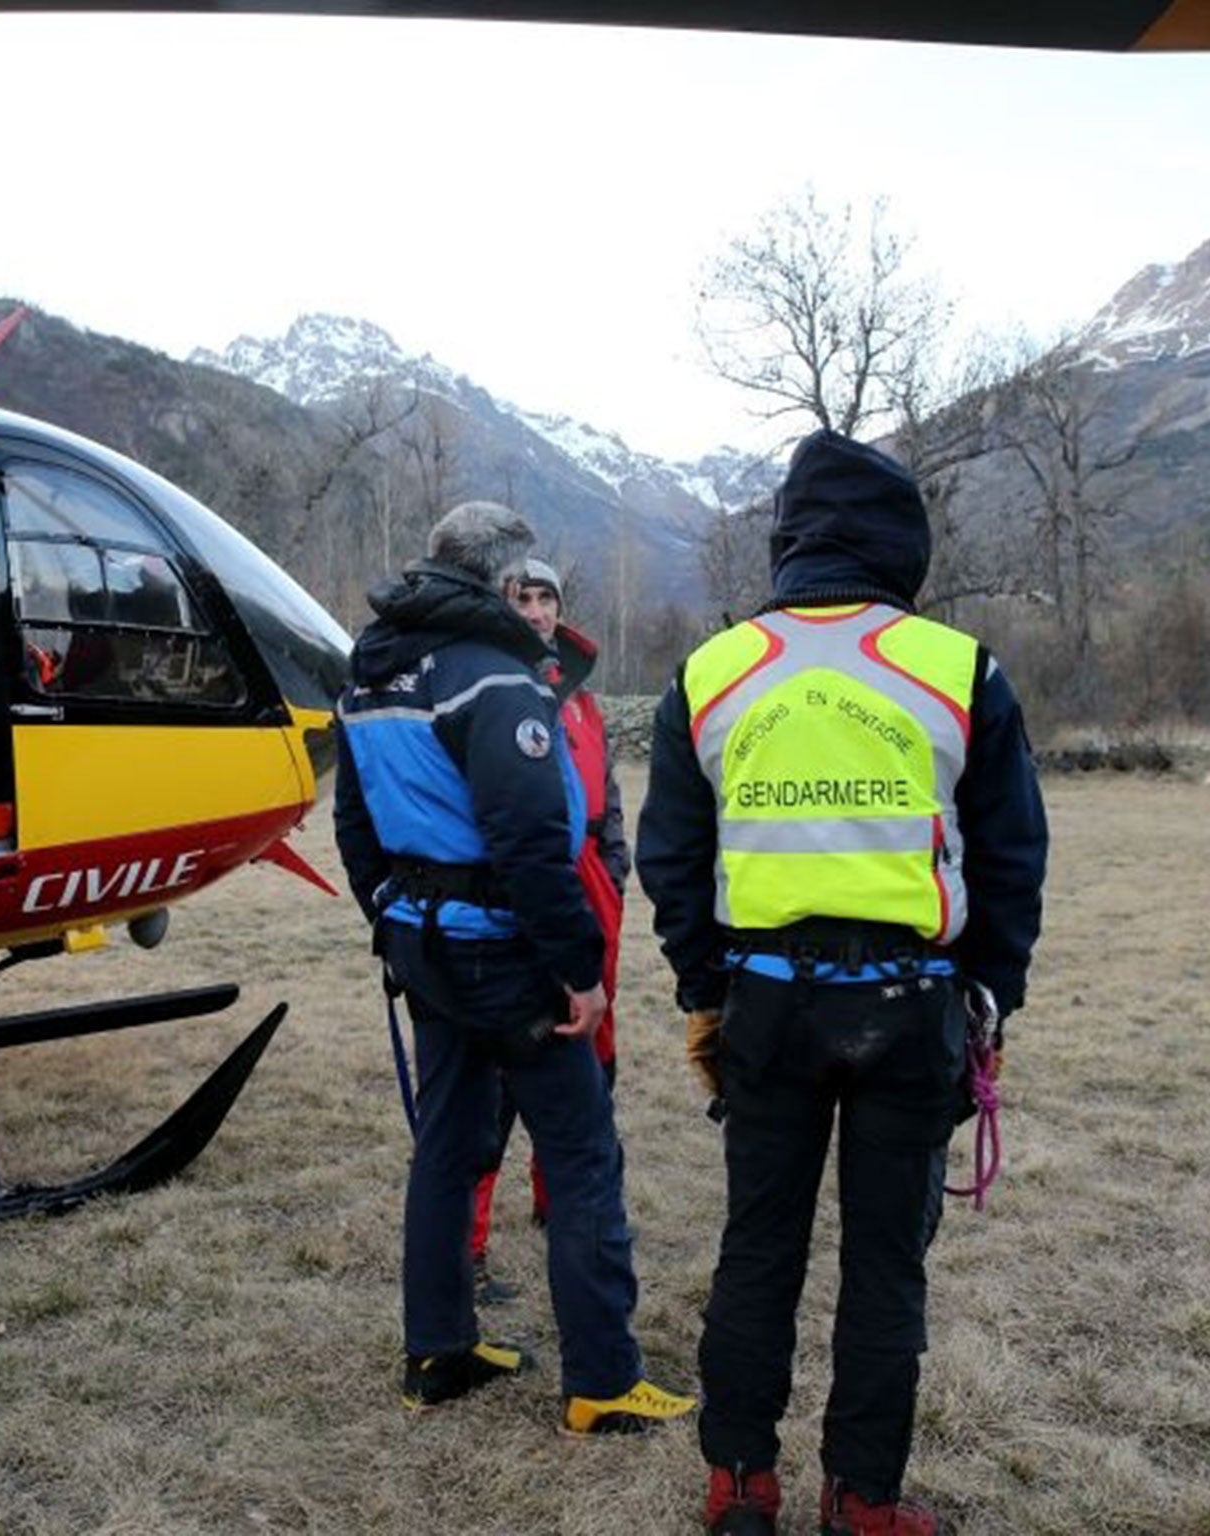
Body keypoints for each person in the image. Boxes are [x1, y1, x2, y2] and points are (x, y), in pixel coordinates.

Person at [635, 432, 1047, 1535]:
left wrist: (701, 991)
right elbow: (1009, 858)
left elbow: (669, 857)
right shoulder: (959, 670)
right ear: (901, 544)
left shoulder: (712, 672)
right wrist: (992, 1001)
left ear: (786, 540)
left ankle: (737, 1486)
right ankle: (861, 1498)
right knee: (884, 1269)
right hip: (913, 1006)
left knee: (755, 1248)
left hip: (764, 1001)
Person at [333, 500, 695, 1435]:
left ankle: (439, 1349)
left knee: (448, 1150)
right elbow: (533, 841)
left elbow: (354, 822)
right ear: (498, 580)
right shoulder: (491, 679)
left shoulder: (371, 674)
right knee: (581, 1159)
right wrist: (579, 970)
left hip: (424, 944)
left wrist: (387, 908)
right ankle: (604, 1380)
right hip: (503, 952)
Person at [468, 556, 629, 1302]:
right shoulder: (488, 684)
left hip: (593, 883)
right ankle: (467, 1244)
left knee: (594, 1046)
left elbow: (611, 800)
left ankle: (560, 1201)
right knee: (506, 1067)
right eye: (520, 596)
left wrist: (614, 871)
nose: (534, 610)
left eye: (545, 598)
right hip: (523, 882)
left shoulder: (580, 699)